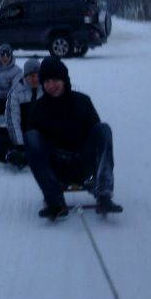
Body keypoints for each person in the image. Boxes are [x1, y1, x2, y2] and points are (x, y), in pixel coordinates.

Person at [24, 56, 123, 219]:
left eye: (55, 80)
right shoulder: (38, 108)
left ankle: (104, 195)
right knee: (31, 136)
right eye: (47, 81)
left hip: (82, 162)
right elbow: (33, 145)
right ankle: (55, 201)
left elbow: (97, 135)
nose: (51, 85)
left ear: (64, 79)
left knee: (103, 129)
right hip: (55, 166)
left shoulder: (82, 102)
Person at [0, 58, 43, 168]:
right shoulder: (15, 92)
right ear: (25, 76)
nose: (35, 79)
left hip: (41, 134)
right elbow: (12, 120)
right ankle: (11, 154)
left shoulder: (47, 89)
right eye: (32, 76)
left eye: (38, 75)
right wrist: (20, 144)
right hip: (22, 132)